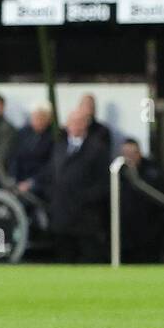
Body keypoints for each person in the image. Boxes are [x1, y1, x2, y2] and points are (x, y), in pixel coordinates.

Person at [35, 107, 110, 263]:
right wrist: (53, 196)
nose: (75, 126)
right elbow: (49, 175)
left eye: (79, 122)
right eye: (72, 122)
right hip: (61, 214)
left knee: (89, 258)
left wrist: (85, 198)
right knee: (64, 257)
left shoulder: (97, 149)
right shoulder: (59, 146)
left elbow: (104, 183)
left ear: (86, 125)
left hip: (86, 217)